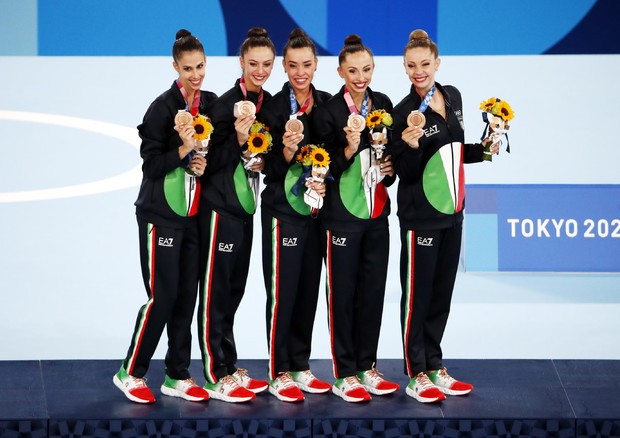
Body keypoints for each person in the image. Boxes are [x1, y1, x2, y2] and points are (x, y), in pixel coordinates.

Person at [391, 29, 499, 403]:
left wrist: (485, 149)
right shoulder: (403, 112)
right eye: (411, 66)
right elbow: (404, 173)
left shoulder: (453, 96)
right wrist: (410, 145)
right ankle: (416, 373)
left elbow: (454, 149)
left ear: (437, 63)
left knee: (440, 296)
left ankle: (434, 364)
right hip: (420, 216)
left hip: (453, 213)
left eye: (425, 64)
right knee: (417, 297)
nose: (418, 71)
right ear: (405, 68)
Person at [113, 29, 216, 404]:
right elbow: (151, 166)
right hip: (160, 216)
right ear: (175, 67)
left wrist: (202, 164)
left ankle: (177, 374)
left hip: (193, 216)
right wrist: (184, 149)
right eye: (188, 68)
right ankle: (131, 371)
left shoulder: (210, 103)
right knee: (163, 296)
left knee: (187, 296)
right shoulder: (161, 108)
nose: (195, 75)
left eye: (200, 66)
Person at [312, 34, 400, 403]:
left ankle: (367, 366)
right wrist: (348, 149)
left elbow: (389, 159)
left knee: (373, 294)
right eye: (352, 71)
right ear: (340, 72)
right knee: (343, 296)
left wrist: (391, 170)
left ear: (373, 69)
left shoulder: (384, 104)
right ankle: (344, 372)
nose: (360, 77)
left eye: (366, 70)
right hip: (341, 219)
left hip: (377, 214)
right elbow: (320, 170)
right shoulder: (328, 112)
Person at [197, 27, 275, 403]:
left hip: (246, 209)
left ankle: (229, 365)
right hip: (219, 210)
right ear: (241, 62)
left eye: (267, 64)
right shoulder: (223, 105)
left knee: (234, 291)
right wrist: (240, 142)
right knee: (215, 294)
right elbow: (207, 162)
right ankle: (215, 374)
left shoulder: (269, 104)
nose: (260, 71)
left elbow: (266, 160)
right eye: (253, 63)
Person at [260, 28, 333, 402]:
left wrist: (326, 181)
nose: (300, 72)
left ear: (316, 65)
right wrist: (286, 152)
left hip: (315, 214)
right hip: (282, 213)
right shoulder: (272, 108)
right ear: (284, 67)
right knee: (282, 293)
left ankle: (300, 365)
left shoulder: (328, 104)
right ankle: (278, 372)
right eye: (292, 65)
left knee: (307, 291)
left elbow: (335, 157)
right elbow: (264, 168)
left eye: (306, 65)